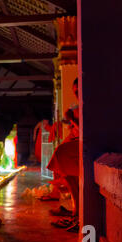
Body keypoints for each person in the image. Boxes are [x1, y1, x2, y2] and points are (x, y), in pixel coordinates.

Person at [47, 78, 80, 233]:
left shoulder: (92, 105)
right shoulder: (79, 107)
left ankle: (77, 214)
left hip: (86, 149)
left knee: (61, 154)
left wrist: (72, 119)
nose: (78, 95)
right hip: (78, 149)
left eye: (79, 92)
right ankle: (76, 213)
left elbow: (85, 131)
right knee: (69, 176)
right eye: (75, 93)